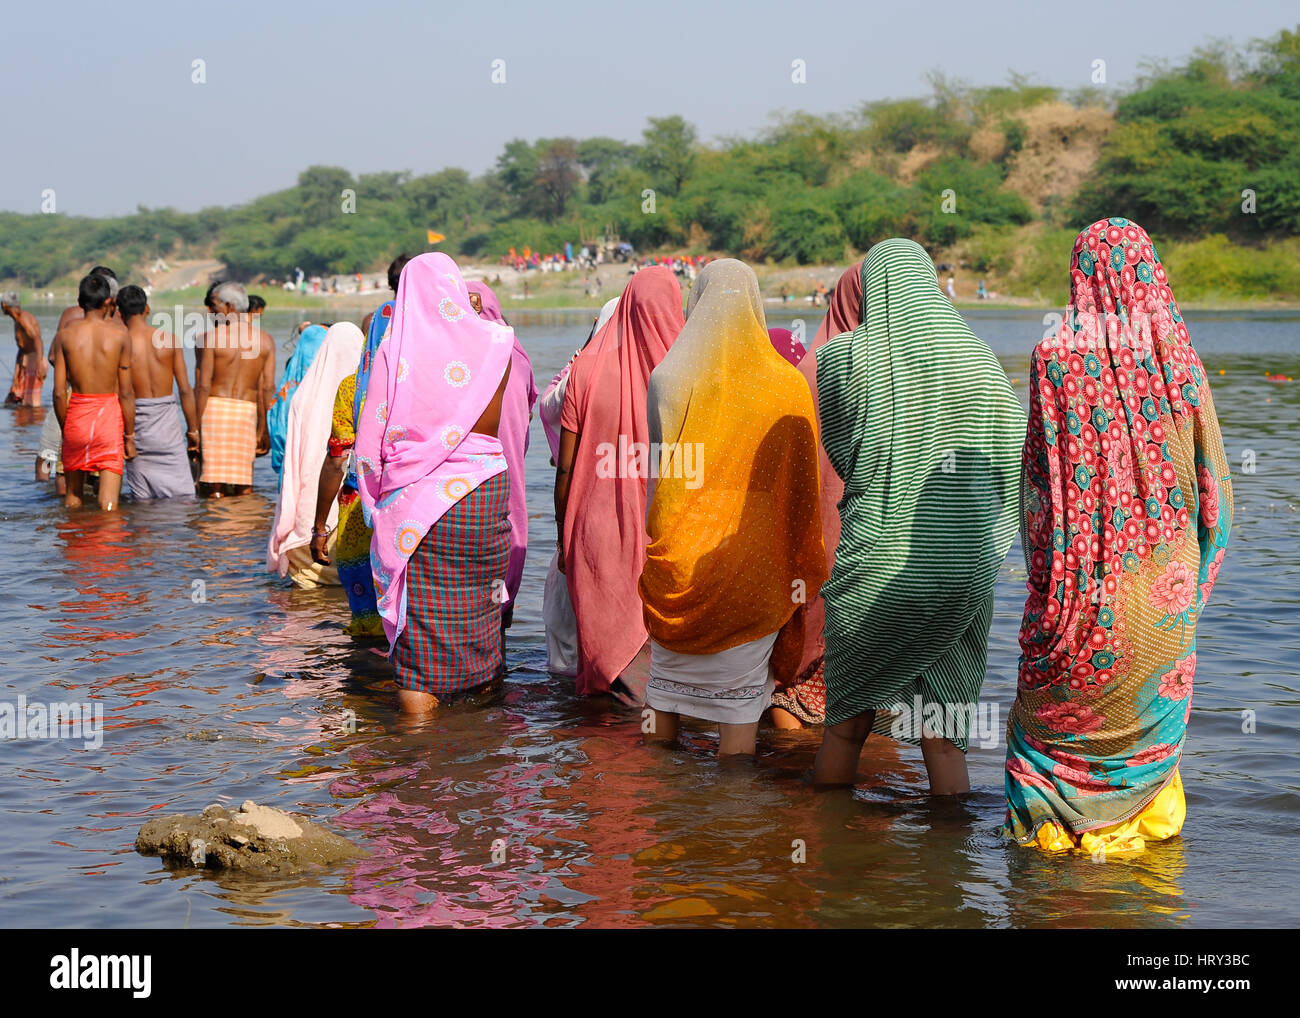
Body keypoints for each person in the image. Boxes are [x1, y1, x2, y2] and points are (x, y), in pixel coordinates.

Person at [1003, 217, 1233, 855]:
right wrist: (1190, 587)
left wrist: (1053, 585)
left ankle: (1054, 843)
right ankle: (1141, 846)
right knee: (1145, 732)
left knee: (1049, 735)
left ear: (1078, 275)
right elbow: (1217, 493)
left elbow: (1037, 497)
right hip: (1164, 590)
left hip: (1079, 596)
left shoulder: (1053, 357)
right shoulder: (1178, 360)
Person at [811, 238, 1024, 794]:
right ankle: (948, 862)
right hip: (961, 569)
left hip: (876, 568)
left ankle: (831, 850)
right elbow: (1009, 464)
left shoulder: (844, 356)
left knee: (848, 720)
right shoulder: (983, 363)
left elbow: (844, 453)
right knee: (945, 727)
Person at [638, 260, 826, 756]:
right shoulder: (787, 384)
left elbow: (664, 476)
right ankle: (734, 814)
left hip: (679, 559)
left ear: (696, 302)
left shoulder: (668, 375)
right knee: (740, 719)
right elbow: (799, 489)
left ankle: (660, 803)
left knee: (662, 693)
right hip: (753, 567)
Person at [355, 253, 514, 714]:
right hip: (486, 488)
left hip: (420, 501)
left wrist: (376, 504)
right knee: (478, 609)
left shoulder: (396, 350)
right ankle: (483, 725)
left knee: (420, 621)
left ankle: (418, 743)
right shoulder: (497, 341)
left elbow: (370, 442)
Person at [555, 267, 684, 701]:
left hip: (595, 528)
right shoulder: (687, 373)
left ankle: (601, 754)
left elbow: (566, 469)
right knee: (659, 674)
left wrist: (563, 539)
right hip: (665, 530)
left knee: (603, 656)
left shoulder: (585, 368)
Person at [771, 262, 865, 729]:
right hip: (865, 547)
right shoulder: (883, 371)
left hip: (809, 542)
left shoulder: (803, 373)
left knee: (795, 664)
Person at [310, 254, 410, 639]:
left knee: (366, 624)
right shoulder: (423, 387)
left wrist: (320, 528)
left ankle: (365, 687)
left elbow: (337, 460)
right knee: (408, 618)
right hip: (412, 512)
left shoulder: (353, 389)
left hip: (358, 513)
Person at [540, 297, 618, 676]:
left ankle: (575, 702)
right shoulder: (662, 369)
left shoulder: (583, 374)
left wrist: (581, 359)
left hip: (583, 509)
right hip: (629, 517)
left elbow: (549, 408)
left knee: (569, 616)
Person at [266, 322, 365, 588]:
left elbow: (290, 458)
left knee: (306, 596)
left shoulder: (304, 396)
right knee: (352, 592)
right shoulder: (364, 394)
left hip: (308, 512)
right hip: (353, 511)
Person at [466, 280, 537, 628]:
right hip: (509, 486)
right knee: (499, 584)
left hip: (468, 492)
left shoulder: (457, 352)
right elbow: (529, 412)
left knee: (467, 594)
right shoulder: (516, 352)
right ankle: (500, 625)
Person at [54, 273, 136, 510]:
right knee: (108, 503)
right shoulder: (120, 335)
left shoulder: (65, 335)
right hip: (108, 419)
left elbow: (59, 392)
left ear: (80, 302)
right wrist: (129, 437)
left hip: (77, 416)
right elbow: (127, 393)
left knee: (73, 496)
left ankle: (74, 541)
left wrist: (66, 429)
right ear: (108, 302)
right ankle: (107, 543)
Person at [38, 266, 119, 490]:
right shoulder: (119, 325)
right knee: (103, 467)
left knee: (49, 456)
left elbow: (54, 356)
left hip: (70, 397)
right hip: (106, 404)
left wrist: (77, 371)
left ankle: (48, 498)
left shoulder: (71, 317)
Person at [118, 285, 198, 499]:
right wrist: (193, 431)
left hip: (135, 425)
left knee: (142, 500)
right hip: (168, 429)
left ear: (119, 312)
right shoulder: (169, 339)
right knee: (183, 496)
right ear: (147, 309)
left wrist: (129, 436)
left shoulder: (120, 344)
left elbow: (123, 394)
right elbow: (185, 390)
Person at [196, 282, 274, 497]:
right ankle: (244, 527)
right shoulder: (265, 340)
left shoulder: (212, 338)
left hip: (214, 410)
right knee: (244, 483)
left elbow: (203, 386)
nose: (211, 311)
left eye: (214, 305)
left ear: (229, 307)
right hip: (246, 413)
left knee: (214, 485)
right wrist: (263, 429)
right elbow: (266, 388)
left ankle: (214, 526)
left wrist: (194, 427)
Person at [267, 324, 327, 479]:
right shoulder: (330, 388)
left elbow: (277, 432)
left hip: (288, 472)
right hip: (322, 474)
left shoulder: (286, 391)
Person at [3, 293, 45, 407]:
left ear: (4, 305)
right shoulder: (17, 321)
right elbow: (22, 348)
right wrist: (16, 376)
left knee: (30, 405)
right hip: (24, 361)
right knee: (12, 398)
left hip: (34, 361)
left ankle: (33, 424)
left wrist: (39, 363)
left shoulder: (23, 318)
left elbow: (37, 339)